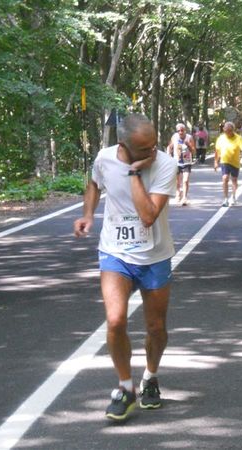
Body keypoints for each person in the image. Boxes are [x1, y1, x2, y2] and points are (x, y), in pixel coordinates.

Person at [73, 114, 177, 421]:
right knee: (115, 320)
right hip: (115, 252)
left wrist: (134, 173)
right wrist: (88, 214)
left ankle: (150, 377)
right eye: (144, 148)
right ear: (123, 145)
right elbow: (94, 182)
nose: (153, 151)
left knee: (156, 327)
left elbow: (147, 216)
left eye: (155, 144)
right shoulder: (105, 158)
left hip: (154, 256)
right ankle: (125, 386)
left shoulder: (165, 165)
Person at [214, 121, 242, 206]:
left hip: (235, 162)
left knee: (234, 180)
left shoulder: (238, 138)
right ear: (223, 129)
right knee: (225, 178)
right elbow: (217, 151)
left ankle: (233, 197)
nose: (228, 132)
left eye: (230, 130)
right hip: (225, 161)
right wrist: (215, 162)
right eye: (226, 130)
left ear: (233, 130)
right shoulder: (221, 138)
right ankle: (225, 199)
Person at [167, 123, 196, 206]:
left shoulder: (189, 137)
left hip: (187, 162)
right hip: (177, 162)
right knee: (177, 181)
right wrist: (169, 155)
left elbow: (193, 151)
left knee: (185, 180)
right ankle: (178, 194)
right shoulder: (174, 137)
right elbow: (170, 147)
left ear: (185, 130)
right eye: (178, 131)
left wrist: (189, 145)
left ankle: (184, 197)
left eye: (182, 130)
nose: (180, 132)